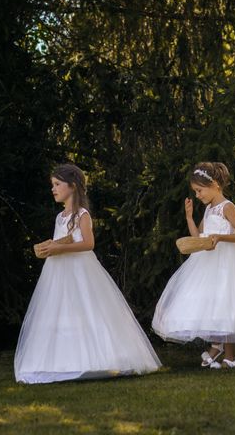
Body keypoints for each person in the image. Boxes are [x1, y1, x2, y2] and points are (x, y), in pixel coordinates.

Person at [14, 164, 161, 383]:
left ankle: (98, 358)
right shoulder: (60, 217)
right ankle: (61, 361)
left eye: (57, 184)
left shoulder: (82, 214)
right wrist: (51, 247)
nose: (53, 189)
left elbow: (88, 243)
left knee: (87, 307)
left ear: (72, 186)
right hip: (59, 272)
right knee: (60, 310)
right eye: (52, 185)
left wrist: (59, 248)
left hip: (80, 269)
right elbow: (60, 241)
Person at [152, 162, 235, 369]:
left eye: (199, 190)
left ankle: (230, 355)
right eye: (195, 191)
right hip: (207, 264)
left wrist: (221, 238)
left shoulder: (227, 207)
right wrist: (189, 217)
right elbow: (199, 238)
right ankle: (218, 345)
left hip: (228, 264)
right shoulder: (208, 210)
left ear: (214, 184)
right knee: (212, 304)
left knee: (227, 305)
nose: (197, 195)